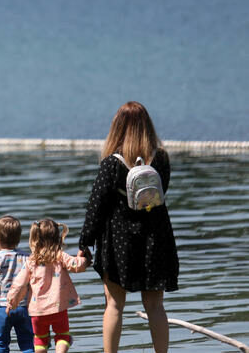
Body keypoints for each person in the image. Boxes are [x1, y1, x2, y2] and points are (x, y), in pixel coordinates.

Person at [78, 101, 179, 353]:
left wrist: (85, 243)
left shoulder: (112, 164)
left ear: (118, 127)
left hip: (118, 241)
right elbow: (160, 193)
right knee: (155, 307)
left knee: (113, 305)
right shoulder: (161, 159)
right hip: (156, 238)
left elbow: (96, 207)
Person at [6, 219, 89, 353]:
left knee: (40, 338)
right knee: (63, 336)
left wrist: (11, 301)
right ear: (57, 238)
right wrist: (85, 260)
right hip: (58, 308)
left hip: (37, 311)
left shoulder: (31, 261)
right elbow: (76, 265)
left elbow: (19, 283)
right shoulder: (60, 256)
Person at [0, 215, 35, 353]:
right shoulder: (27, 258)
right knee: (28, 343)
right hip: (24, 307)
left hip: (1, 308)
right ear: (18, 238)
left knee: (0, 344)